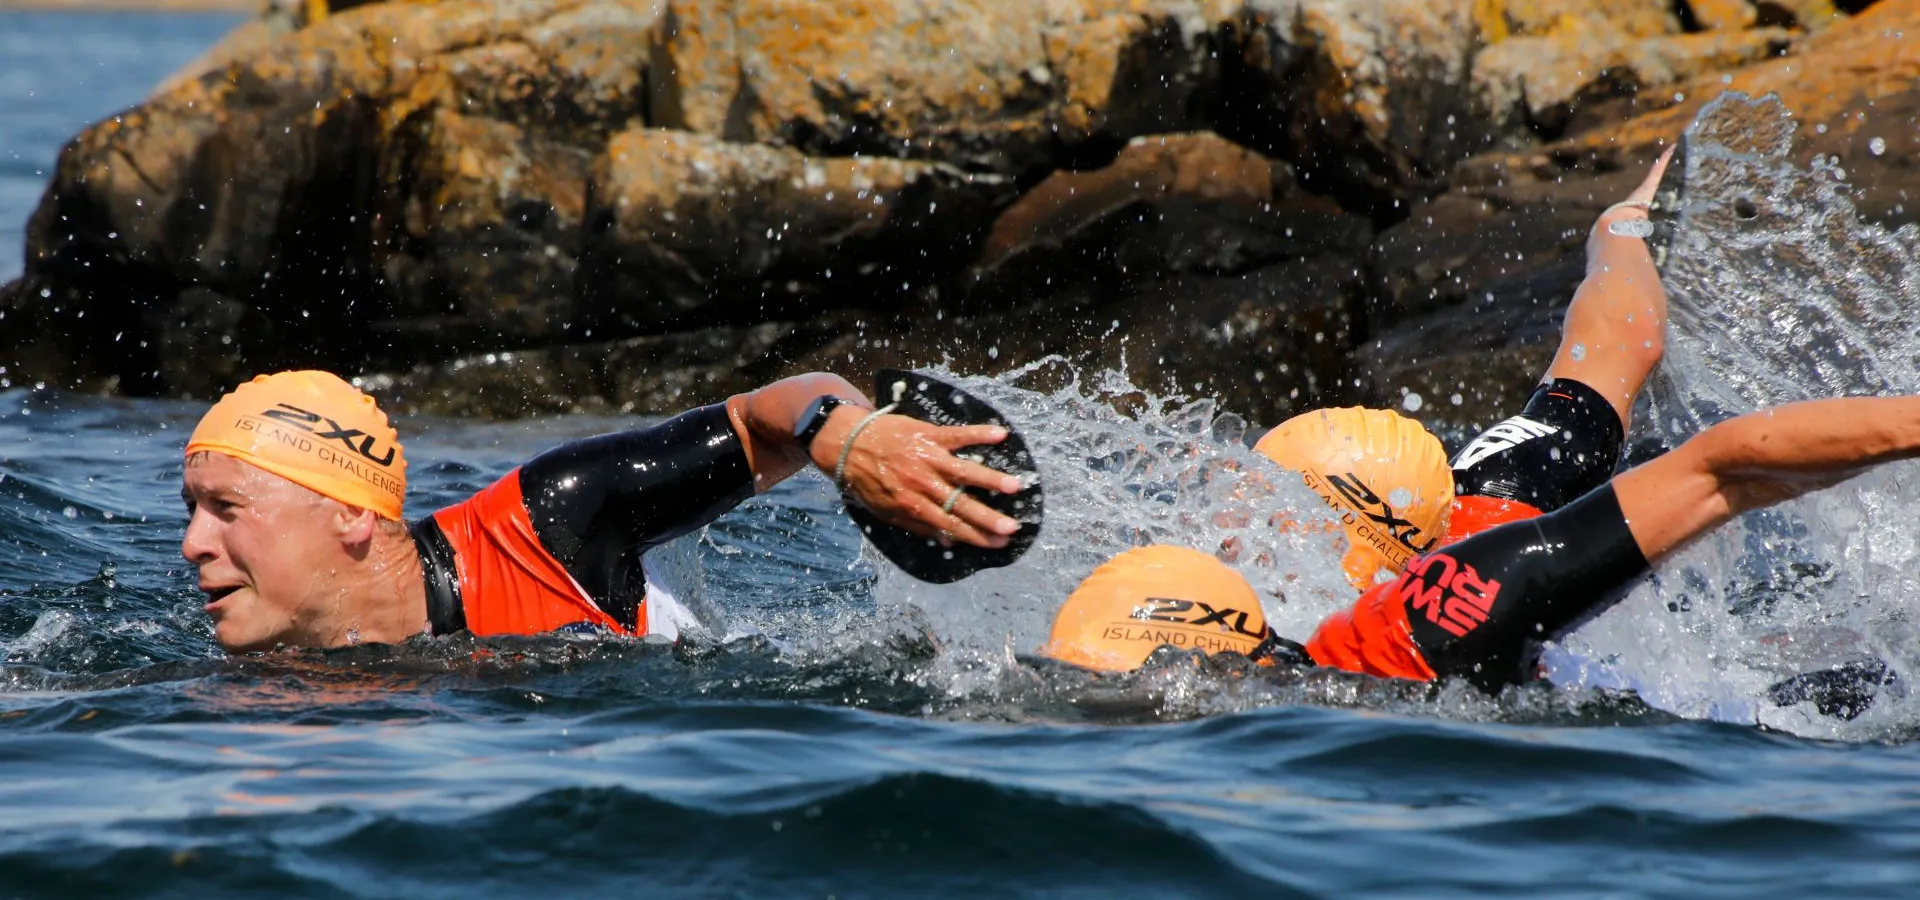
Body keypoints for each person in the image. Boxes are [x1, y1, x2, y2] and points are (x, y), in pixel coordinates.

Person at [1047, 392, 1920, 689]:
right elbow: (1610, 348)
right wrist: (1622, 226)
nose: (1235, 520)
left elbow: (1722, 468)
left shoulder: (1430, 620)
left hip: (1751, 714)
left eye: (1270, 506)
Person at [180, 370, 1026, 653]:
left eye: (225, 507)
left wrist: (845, 435)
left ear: (349, 517)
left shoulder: (550, 524)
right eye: (192, 509)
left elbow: (764, 414)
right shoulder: (258, 682)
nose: (191, 544)